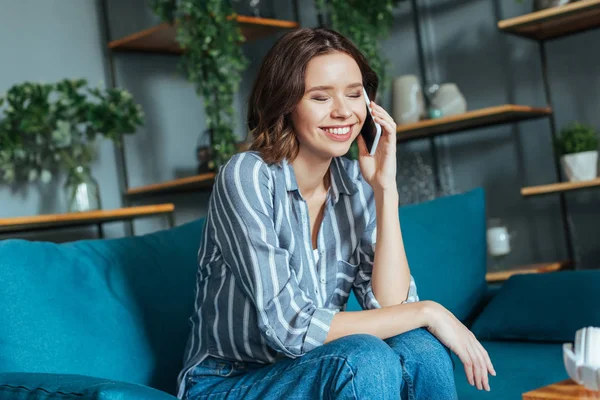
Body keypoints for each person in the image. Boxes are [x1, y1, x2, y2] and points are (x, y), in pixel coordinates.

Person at [177, 27, 495, 400]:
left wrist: (384, 190)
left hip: (316, 365)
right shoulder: (248, 176)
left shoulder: (356, 185)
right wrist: (432, 311)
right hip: (229, 381)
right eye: (320, 97)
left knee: (421, 348)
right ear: (285, 103)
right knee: (364, 357)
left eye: (354, 93)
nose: (343, 111)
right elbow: (291, 328)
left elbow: (393, 308)